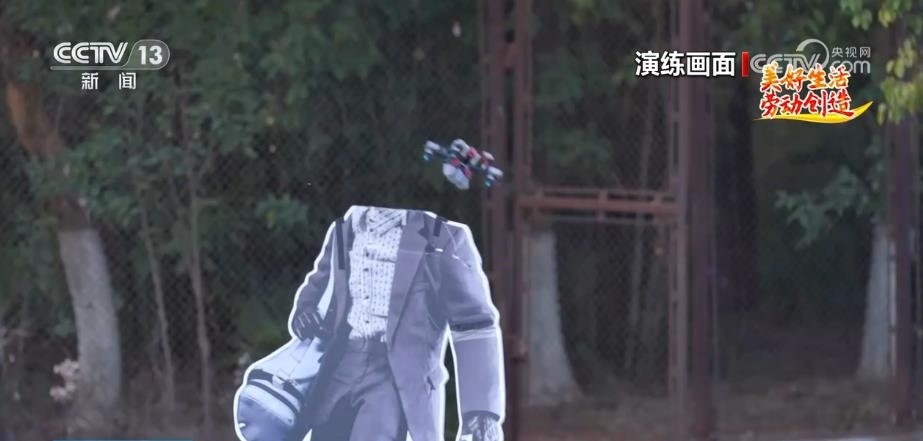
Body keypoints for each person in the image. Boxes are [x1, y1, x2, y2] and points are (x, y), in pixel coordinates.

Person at [290, 205, 505, 441]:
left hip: (395, 373)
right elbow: (321, 281)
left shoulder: (441, 237)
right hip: (341, 363)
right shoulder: (345, 228)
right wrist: (305, 309)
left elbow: (474, 322)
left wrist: (481, 410)